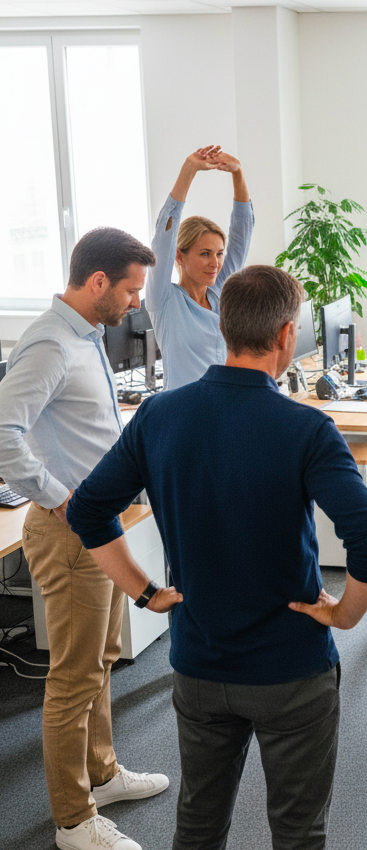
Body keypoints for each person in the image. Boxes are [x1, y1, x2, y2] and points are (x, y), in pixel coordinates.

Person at [66, 264, 367, 850]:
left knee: (198, 824)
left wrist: (145, 592)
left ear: (223, 326)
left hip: (199, 664)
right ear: (287, 336)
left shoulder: (158, 415)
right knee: (298, 833)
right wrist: (345, 615)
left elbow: (88, 511)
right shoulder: (307, 429)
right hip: (291, 669)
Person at [0, 228, 168, 850]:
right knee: (72, 678)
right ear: (98, 282)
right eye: (129, 290)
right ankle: (73, 819)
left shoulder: (85, 336)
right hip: (71, 532)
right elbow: (2, 433)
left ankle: (102, 772)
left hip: (97, 526)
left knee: (100, 659)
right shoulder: (49, 344)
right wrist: (60, 497)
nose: (133, 303)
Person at [147, 145, 254, 390]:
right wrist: (189, 169)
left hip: (224, 409)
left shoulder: (219, 293)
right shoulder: (164, 299)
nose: (215, 263)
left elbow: (242, 233)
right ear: (179, 256)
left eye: (218, 254)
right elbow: (164, 234)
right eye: (205, 254)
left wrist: (238, 173)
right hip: (186, 416)